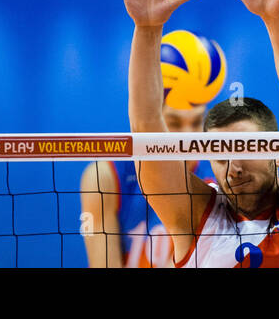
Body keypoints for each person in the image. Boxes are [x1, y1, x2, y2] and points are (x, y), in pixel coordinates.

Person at [100, 0, 279, 268]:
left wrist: (276, 20)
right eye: (220, 156)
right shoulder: (194, 216)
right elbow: (145, 130)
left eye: (245, 149)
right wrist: (147, 30)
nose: (233, 168)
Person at [79, 35, 219, 268]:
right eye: (173, 123)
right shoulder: (105, 179)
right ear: (152, 124)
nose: (187, 137)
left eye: (196, 123)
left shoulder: (218, 178)